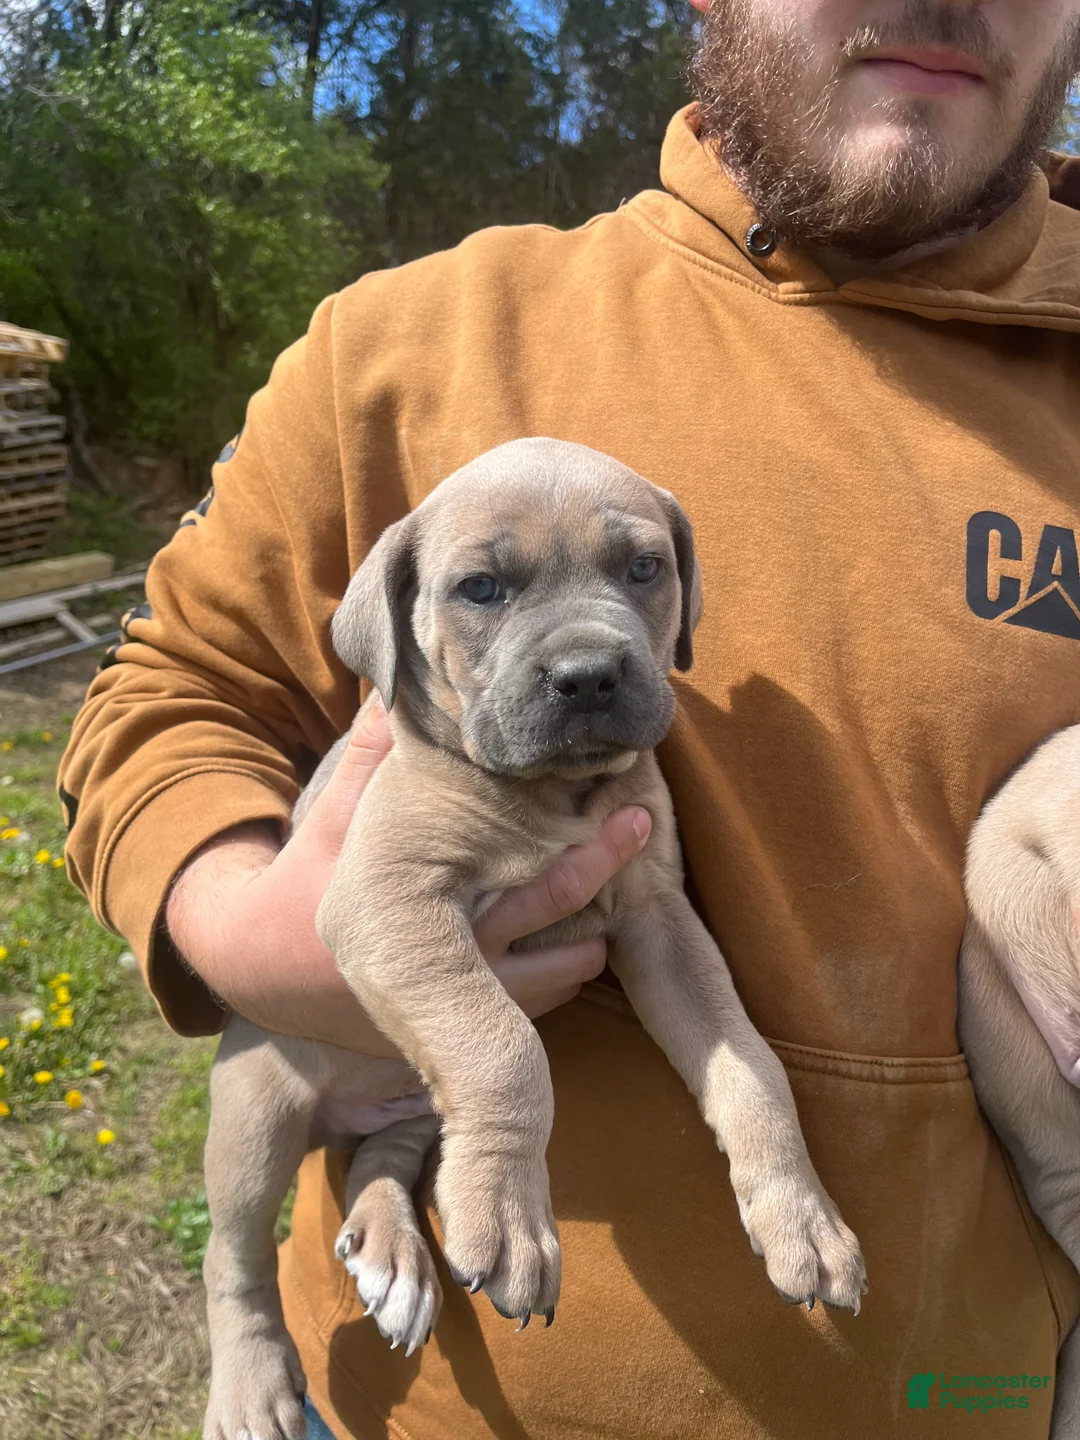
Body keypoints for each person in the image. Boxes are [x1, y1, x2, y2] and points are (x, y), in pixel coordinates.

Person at [59, 1, 1080, 1436]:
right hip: (441, 1402)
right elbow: (168, 695)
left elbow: (671, 949)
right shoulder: (409, 341)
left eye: (639, 580)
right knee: (287, 1097)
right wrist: (255, 934)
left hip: (971, 1383)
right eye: (491, 593)